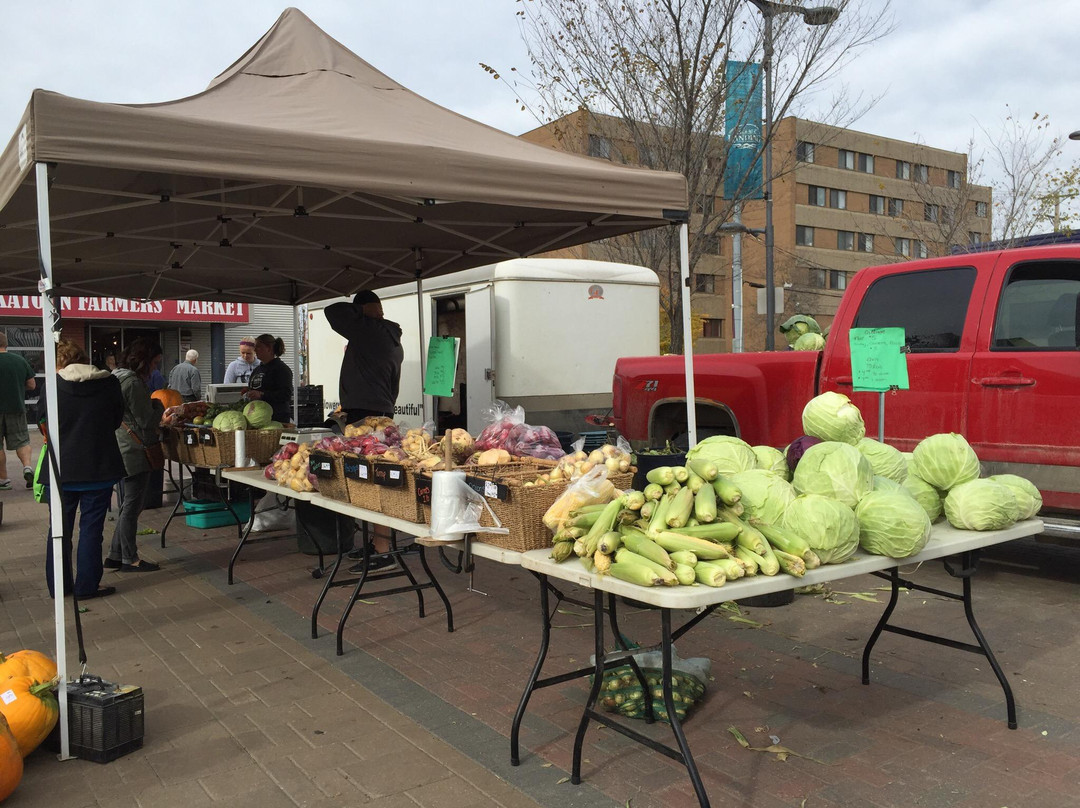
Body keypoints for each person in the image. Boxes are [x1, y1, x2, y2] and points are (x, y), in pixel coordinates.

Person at [324, 291, 404, 575]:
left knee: (375, 481)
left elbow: (333, 310)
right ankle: (376, 542)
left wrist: (364, 313)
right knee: (368, 480)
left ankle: (384, 551)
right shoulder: (385, 335)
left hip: (369, 418)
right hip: (374, 413)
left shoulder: (373, 331)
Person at [40, 339, 126, 600]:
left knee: (59, 530)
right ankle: (87, 587)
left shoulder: (52, 385)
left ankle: (58, 586)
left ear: (60, 362)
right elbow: (116, 419)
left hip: (61, 469)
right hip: (98, 466)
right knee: (91, 529)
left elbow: (42, 421)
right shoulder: (109, 382)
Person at [108, 338, 163, 572]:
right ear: (144, 361)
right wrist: (159, 405)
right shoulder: (133, 383)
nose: (156, 368)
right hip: (134, 449)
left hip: (121, 445)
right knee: (132, 506)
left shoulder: (116, 376)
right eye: (155, 363)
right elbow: (146, 419)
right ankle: (129, 558)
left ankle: (115, 553)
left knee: (126, 505)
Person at [325, 290, 404, 424]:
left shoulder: (370, 331)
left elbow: (332, 311)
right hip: (382, 408)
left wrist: (362, 309)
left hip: (364, 411)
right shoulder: (391, 336)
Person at [0, 332, 36, 490]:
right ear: (6, 343)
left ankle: (4, 479)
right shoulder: (20, 360)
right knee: (22, 440)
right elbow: (32, 385)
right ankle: (27, 467)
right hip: (17, 407)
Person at [244, 334, 293, 423]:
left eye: (258, 347)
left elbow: (286, 394)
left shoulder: (281, 369)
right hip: (257, 418)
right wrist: (248, 391)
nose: (255, 350)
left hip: (276, 418)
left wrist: (262, 394)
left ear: (269, 348)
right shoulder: (257, 370)